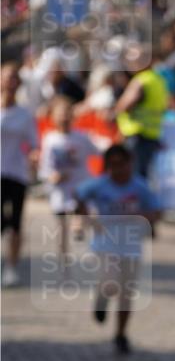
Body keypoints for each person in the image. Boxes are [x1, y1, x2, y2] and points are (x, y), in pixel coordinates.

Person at [74, 143, 160, 354]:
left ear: (130, 164)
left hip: (131, 246)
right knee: (110, 281)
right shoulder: (100, 185)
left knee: (126, 294)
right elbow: (78, 195)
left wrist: (146, 220)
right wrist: (86, 219)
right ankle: (102, 299)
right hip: (105, 243)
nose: (117, 169)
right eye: (112, 165)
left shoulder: (140, 187)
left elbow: (157, 211)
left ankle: (121, 334)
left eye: (121, 164)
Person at [39, 97, 98, 259]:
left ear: (73, 117)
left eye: (67, 114)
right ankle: (63, 257)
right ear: (53, 117)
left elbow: (98, 152)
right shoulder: (50, 139)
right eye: (60, 115)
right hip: (60, 189)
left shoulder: (82, 137)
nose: (63, 118)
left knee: (80, 212)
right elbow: (45, 166)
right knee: (61, 225)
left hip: (79, 185)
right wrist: (52, 177)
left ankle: (80, 228)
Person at [1, 61, 38, 286]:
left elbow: (34, 143)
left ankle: (11, 267)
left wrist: (34, 155)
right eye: (7, 76)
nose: (10, 81)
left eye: (15, 77)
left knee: (15, 223)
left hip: (16, 172)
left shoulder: (24, 114)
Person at [114, 44, 170, 180]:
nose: (130, 63)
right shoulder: (158, 80)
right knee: (143, 176)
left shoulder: (141, 81)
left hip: (137, 135)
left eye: (134, 59)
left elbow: (123, 106)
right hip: (152, 135)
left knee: (133, 177)